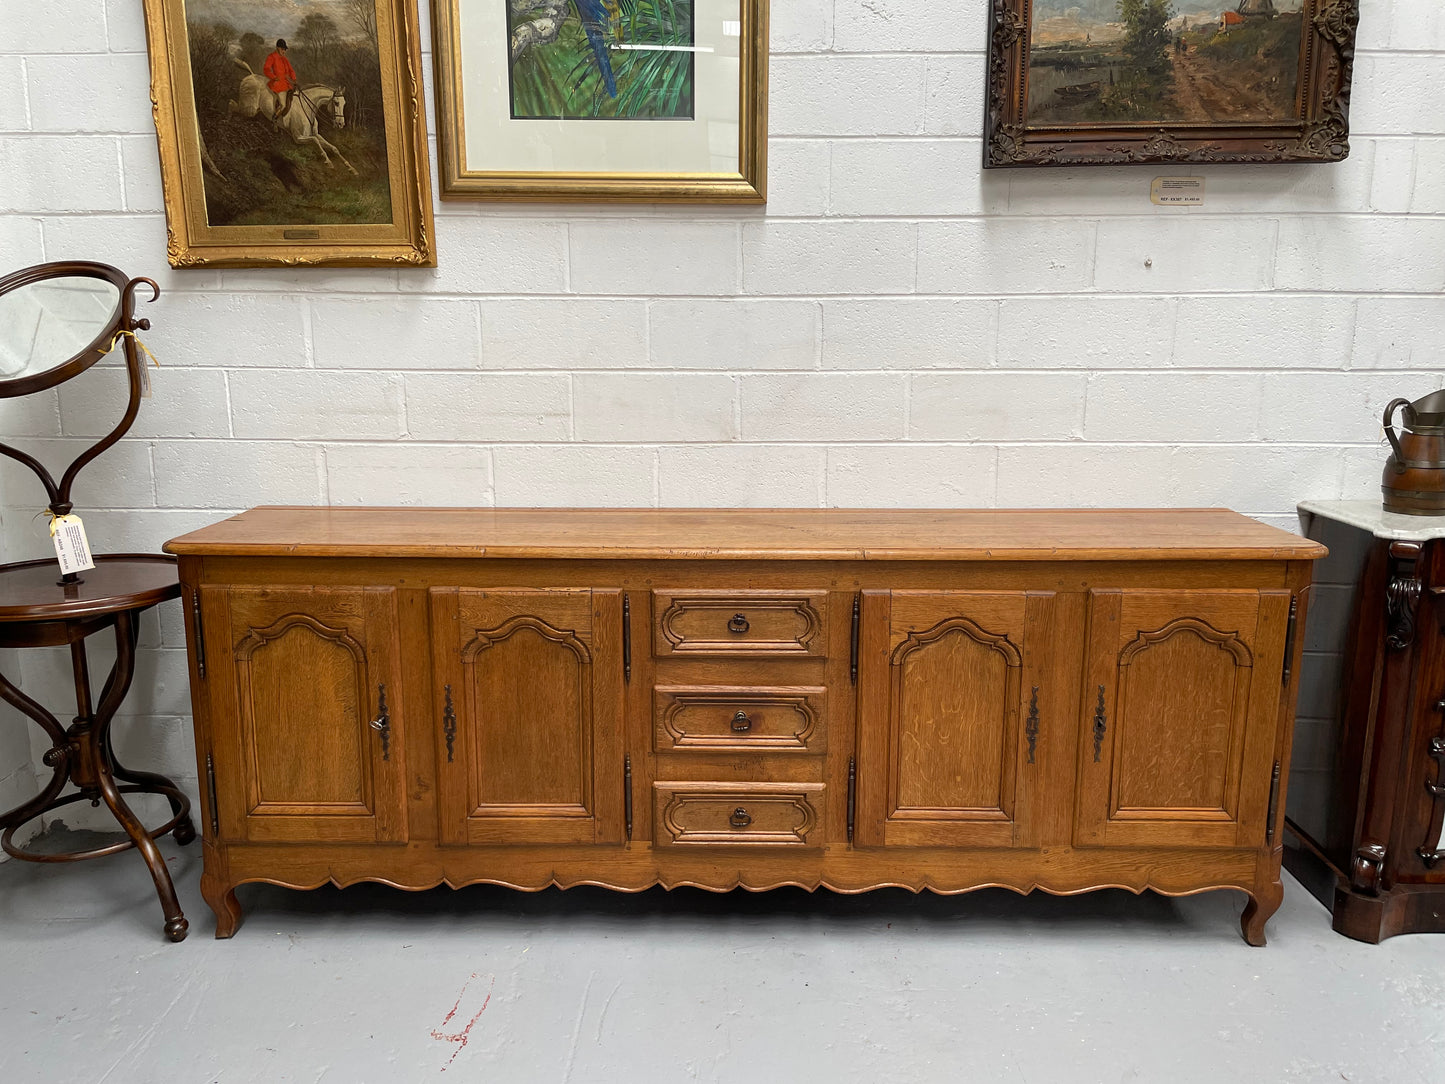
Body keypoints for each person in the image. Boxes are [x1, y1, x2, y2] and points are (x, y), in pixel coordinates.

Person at [264, 38, 297, 122]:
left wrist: (294, 79)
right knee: (282, 104)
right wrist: (274, 77)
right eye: (282, 49)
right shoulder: (271, 57)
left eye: (285, 50)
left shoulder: (284, 59)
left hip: (286, 83)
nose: (284, 51)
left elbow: (291, 70)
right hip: (277, 84)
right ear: (277, 48)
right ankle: (274, 120)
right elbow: (266, 69)